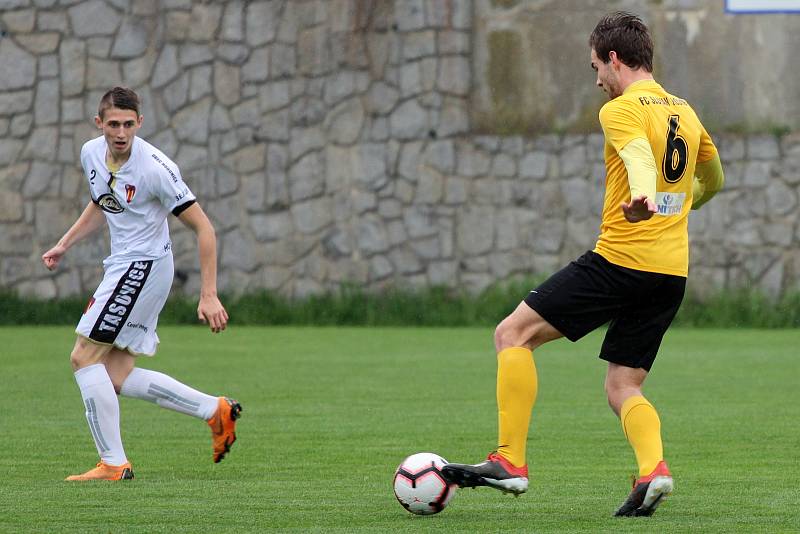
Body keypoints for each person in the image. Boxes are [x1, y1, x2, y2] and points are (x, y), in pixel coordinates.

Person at [442, 11, 725, 517]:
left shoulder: (621, 109)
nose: (596, 79)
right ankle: (653, 471)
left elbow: (636, 154)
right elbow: (714, 177)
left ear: (614, 59)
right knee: (624, 386)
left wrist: (642, 196)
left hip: (620, 262)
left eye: (596, 66)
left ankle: (510, 461)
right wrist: (679, 204)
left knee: (512, 335)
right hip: (670, 274)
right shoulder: (685, 110)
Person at [42, 87, 243, 481]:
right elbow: (104, 202)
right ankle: (215, 410)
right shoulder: (90, 153)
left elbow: (204, 228)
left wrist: (208, 293)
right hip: (126, 267)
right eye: (113, 124)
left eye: (128, 124)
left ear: (140, 123)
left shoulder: (155, 168)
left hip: (142, 268)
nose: (121, 132)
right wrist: (65, 243)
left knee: (83, 357)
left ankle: (113, 464)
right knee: (114, 373)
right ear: (99, 123)